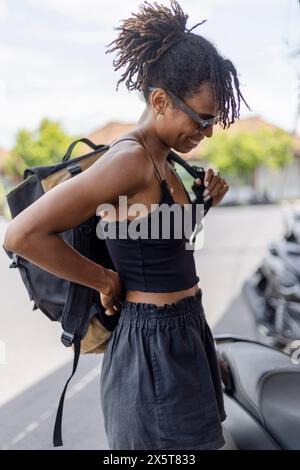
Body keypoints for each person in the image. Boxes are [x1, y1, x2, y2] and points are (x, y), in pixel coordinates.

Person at [4, 0, 249, 451]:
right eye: (202, 118)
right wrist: (103, 279)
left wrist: (204, 202)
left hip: (185, 333)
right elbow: (21, 235)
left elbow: (155, 238)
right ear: (160, 100)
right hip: (150, 348)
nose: (208, 132)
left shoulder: (164, 158)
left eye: (213, 120)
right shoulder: (128, 160)